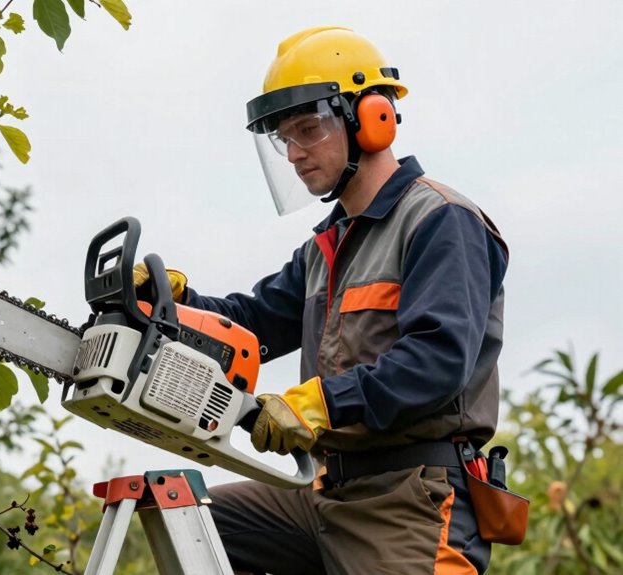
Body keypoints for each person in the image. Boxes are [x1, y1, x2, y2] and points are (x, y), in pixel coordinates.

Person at [135, 26, 508, 574]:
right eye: (284, 138)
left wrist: (320, 404)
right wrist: (178, 302)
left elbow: (437, 362)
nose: (294, 153)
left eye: (308, 130)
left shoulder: (440, 220)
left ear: (372, 118)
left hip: (411, 500)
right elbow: (253, 323)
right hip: (326, 488)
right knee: (188, 517)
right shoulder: (326, 247)